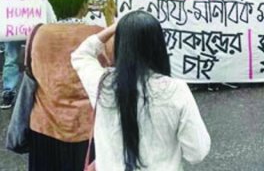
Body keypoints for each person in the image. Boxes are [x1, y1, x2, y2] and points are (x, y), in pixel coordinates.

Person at [71, 11, 211, 170]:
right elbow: (197, 153)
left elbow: (80, 54)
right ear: (159, 45)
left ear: (120, 45)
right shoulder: (176, 90)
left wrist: (113, 28)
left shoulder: (102, 84)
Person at [28, 0, 110, 170]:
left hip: (45, 125)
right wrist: (112, 22)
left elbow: (32, 72)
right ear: (84, 4)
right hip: (89, 128)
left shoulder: (38, 34)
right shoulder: (99, 35)